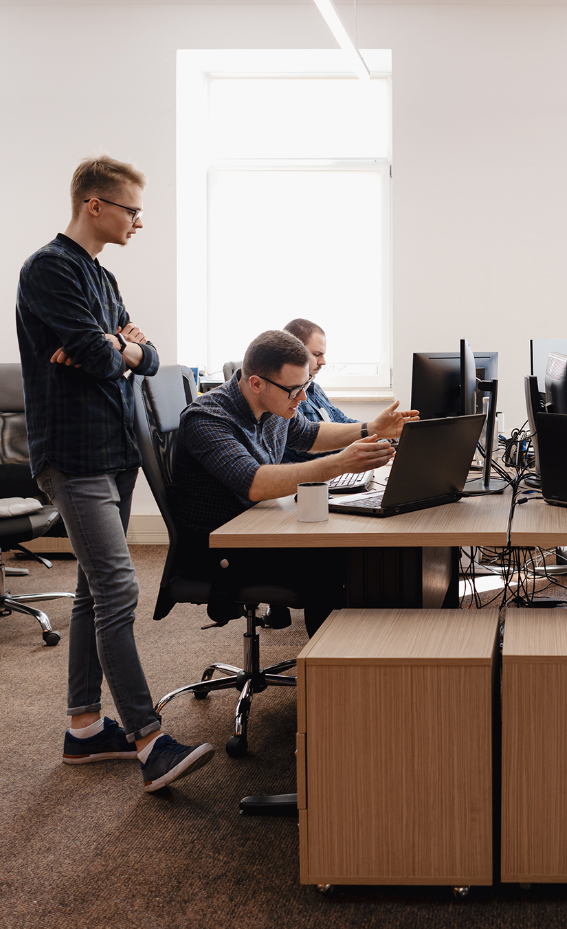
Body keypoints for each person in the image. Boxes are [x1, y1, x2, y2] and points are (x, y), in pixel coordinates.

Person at [16, 155, 214, 792]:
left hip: (113, 448)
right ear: (94, 205)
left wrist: (119, 347)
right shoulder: (49, 268)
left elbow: (141, 356)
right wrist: (113, 349)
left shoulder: (100, 276)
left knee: (93, 591)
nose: (138, 222)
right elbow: (105, 355)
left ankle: (82, 729)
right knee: (119, 588)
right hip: (72, 454)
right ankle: (147, 738)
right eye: (132, 210)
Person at [171, 329, 417, 636]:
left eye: (306, 386)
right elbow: (254, 483)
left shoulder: (274, 405)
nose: (302, 398)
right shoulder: (207, 419)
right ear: (257, 383)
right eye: (294, 390)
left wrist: (370, 428)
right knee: (337, 559)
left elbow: (310, 434)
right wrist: (341, 463)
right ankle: (331, 671)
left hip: (260, 527)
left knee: (359, 547)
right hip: (222, 549)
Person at [280, 317, 358, 464]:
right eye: (317, 355)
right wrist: (362, 445)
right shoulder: (285, 396)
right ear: (295, 352)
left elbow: (341, 421)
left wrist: (377, 431)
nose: (323, 362)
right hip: (308, 477)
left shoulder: (314, 388)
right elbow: (305, 447)